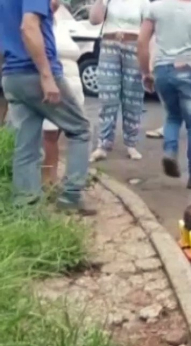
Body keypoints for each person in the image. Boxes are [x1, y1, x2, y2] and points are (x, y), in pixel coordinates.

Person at [0, 0, 94, 213]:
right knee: (80, 129)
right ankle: (71, 196)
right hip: (35, 73)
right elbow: (28, 26)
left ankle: (25, 205)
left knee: (26, 142)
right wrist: (46, 76)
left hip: (13, 75)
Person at [138, 0, 191, 189]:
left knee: (173, 116)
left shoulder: (154, 8)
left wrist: (146, 73)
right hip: (189, 70)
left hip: (162, 71)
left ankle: (169, 151)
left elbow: (141, 42)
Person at [88, 0, 149, 162]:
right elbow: (94, 20)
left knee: (133, 96)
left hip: (134, 47)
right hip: (109, 45)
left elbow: (149, 31)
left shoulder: (142, 2)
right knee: (108, 96)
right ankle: (103, 144)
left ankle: (131, 143)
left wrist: (149, 61)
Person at [42, 4, 87, 186]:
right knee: (50, 136)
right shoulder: (38, 24)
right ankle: (49, 180)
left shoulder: (61, 23)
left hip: (73, 86)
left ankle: (56, 177)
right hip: (55, 84)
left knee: (61, 136)